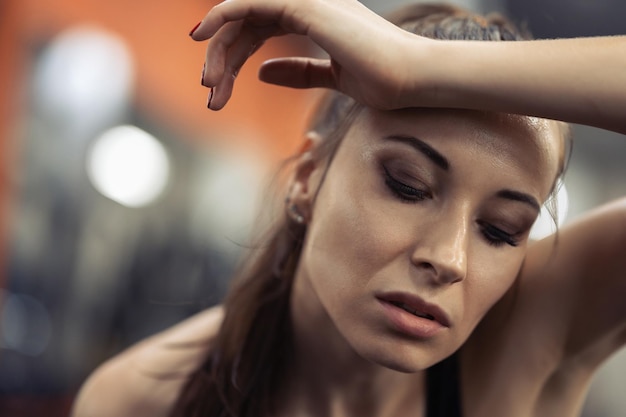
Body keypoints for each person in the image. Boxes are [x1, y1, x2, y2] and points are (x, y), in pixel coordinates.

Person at [71, 1, 626, 416]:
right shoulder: (142, 398)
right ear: (310, 177)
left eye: (503, 231)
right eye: (408, 186)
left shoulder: (533, 333)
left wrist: (418, 65)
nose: (448, 258)